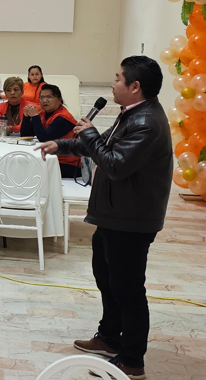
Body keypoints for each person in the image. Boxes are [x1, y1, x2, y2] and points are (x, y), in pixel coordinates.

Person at [37, 56, 172, 379]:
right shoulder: (132, 113)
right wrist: (61, 144)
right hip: (114, 214)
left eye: (117, 78)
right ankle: (110, 336)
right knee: (106, 277)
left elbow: (114, 163)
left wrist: (90, 134)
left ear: (135, 86)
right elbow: (101, 146)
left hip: (131, 219)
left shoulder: (147, 122)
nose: (112, 83)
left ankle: (132, 360)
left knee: (128, 289)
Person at [20, 84, 79, 177]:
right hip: (50, 159)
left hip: (67, 165)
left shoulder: (64, 118)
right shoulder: (43, 114)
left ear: (59, 100)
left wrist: (35, 116)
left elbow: (44, 138)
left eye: (49, 97)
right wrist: (26, 117)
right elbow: (26, 136)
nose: (45, 100)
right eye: (42, 97)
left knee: (26, 170)